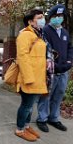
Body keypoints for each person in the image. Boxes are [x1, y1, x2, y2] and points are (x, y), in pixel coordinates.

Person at [36, 4, 73, 132]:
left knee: (59, 95)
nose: (59, 18)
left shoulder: (65, 32)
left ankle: (54, 118)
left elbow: (70, 48)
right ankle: (42, 119)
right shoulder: (45, 31)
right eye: (56, 16)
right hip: (50, 71)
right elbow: (43, 50)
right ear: (51, 17)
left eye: (61, 16)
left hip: (64, 71)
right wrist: (55, 66)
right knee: (46, 96)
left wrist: (69, 61)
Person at [15, 9, 48, 142]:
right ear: (30, 21)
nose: (42, 19)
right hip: (30, 78)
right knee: (26, 105)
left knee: (31, 105)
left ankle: (26, 126)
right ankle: (19, 129)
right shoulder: (25, 35)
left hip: (38, 77)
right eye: (39, 17)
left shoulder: (37, 34)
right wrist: (28, 78)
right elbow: (22, 57)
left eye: (43, 17)